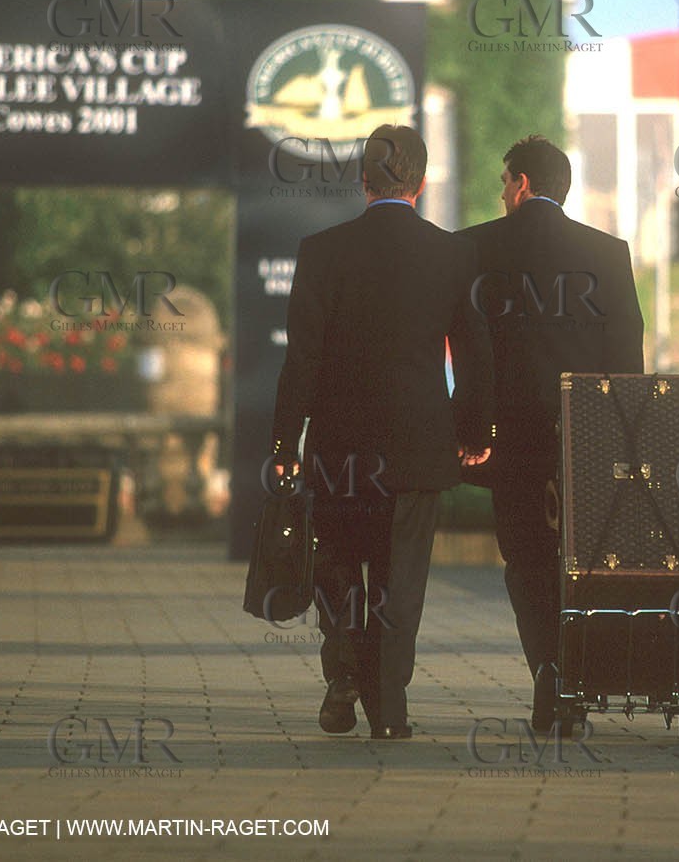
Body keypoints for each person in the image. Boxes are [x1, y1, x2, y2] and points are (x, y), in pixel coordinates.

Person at [271, 124, 493, 740]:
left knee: (338, 571)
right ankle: (389, 711)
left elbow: (302, 359)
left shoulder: (322, 250)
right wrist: (474, 430)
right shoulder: (453, 254)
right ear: (419, 183)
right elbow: (474, 354)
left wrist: (284, 443)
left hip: (338, 449)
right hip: (416, 450)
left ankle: (342, 681)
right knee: (400, 585)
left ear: (363, 180)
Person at [460, 135, 644, 731]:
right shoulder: (609, 252)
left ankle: (549, 673)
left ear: (520, 184)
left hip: (509, 438)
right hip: (588, 440)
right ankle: (578, 675)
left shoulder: (476, 247)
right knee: (583, 562)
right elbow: (627, 359)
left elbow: (465, 349)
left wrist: (470, 426)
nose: (503, 192)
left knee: (527, 560)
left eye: (504, 182)